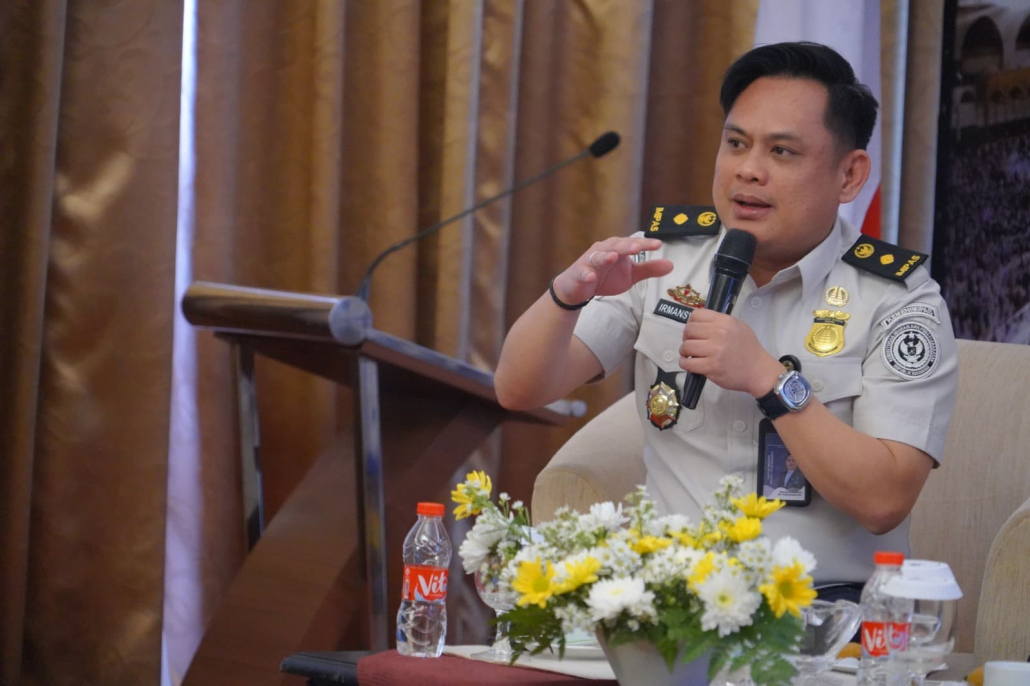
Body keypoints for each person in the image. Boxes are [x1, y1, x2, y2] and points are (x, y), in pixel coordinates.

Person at [494, 42, 958, 592]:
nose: (748, 171)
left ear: (850, 175)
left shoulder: (899, 302)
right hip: (675, 607)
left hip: (824, 614)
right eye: (736, 143)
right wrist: (564, 299)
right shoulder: (662, 260)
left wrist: (769, 381)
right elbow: (518, 389)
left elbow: (884, 499)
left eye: (781, 152)